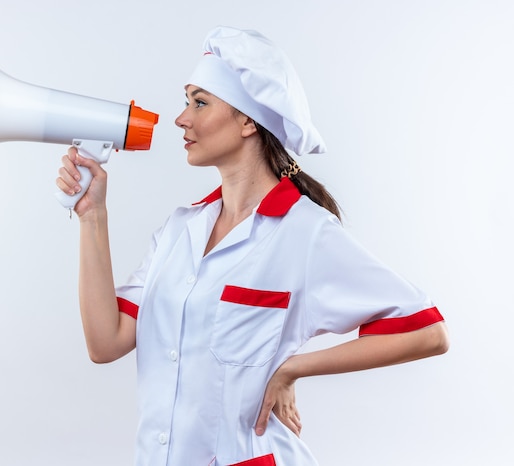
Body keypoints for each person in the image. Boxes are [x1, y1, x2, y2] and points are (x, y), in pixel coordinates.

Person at [56, 26, 449, 466]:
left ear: (248, 120)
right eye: (186, 101)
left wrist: (292, 368)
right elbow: (105, 343)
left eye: (200, 102)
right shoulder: (178, 231)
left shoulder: (304, 232)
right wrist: (93, 216)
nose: (181, 118)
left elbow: (426, 331)